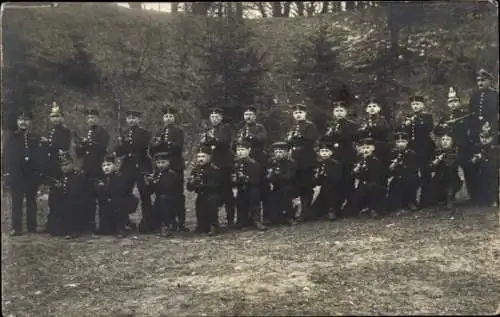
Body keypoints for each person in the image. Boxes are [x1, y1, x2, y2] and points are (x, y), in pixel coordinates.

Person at [4, 109, 44, 236]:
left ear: (30, 122)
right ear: (17, 122)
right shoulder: (11, 138)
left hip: (31, 175)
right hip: (17, 175)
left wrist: (39, 173)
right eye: (21, 120)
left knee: (31, 201)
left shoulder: (35, 138)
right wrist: (8, 173)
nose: (23, 123)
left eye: (26, 120)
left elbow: (39, 157)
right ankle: (17, 228)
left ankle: (32, 227)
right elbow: (7, 158)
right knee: (17, 201)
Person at [114, 109, 154, 233]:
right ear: (126, 120)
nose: (131, 120)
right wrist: (121, 145)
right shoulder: (123, 133)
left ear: (138, 120)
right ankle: (124, 221)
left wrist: (125, 144)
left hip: (142, 166)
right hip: (128, 166)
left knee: (145, 195)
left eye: (134, 118)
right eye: (129, 118)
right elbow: (119, 151)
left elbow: (140, 145)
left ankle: (147, 222)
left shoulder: (144, 132)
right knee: (123, 192)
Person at [150, 106, 187, 232]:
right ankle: (165, 221)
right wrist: (155, 145)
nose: (168, 118)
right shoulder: (158, 131)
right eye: (166, 116)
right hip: (160, 164)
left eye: (171, 116)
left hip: (175, 165)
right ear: (163, 118)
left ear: (174, 118)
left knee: (178, 194)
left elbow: (179, 147)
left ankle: (181, 222)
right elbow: (152, 150)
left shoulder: (178, 131)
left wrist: (165, 144)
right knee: (161, 193)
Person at [434, 87, 474, 203]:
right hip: (450, 150)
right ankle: (449, 196)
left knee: (469, 170)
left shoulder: (466, 115)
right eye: (450, 102)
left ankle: (473, 196)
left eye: (455, 101)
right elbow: (437, 130)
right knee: (450, 172)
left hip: (464, 147)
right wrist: (443, 127)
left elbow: (471, 129)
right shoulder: (446, 117)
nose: (453, 104)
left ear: (460, 102)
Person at [74, 108, 109, 233]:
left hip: (98, 167)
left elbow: (101, 148)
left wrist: (88, 143)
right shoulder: (86, 132)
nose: (90, 120)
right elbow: (80, 154)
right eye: (88, 118)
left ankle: (103, 225)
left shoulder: (102, 132)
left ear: (98, 119)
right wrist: (79, 146)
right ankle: (89, 224)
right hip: (87, 167)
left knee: (101, 197)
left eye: (93, 118)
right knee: (87, 197)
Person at [234, 106, 271, 226]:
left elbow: (262, 139)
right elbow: (236, 142)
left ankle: (264, 217)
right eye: (246, 115)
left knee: (262, 188)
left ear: (255, 116)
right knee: (245, 187)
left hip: (259, 159)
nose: (248, 117)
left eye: (250, 114)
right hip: (244, 160)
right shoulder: (241, 129)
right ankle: (245, 217)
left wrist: (250, 137)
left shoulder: (259, 128)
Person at [199, 107, 234, 228]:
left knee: (227, 192)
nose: (214, 119)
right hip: (212, 164)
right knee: (213, 192)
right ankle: (213, 222)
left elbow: (223, 142)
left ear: (221, 118)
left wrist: (211, 139)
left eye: (216, 117)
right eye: (212, 117)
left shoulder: (226, 128)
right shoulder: (208, 130)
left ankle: (230, 219)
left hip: (224, 164)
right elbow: (203, 144)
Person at [322, 101, 358, 216]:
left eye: (341, 111)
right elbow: (325, 140)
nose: (339, 113)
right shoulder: (331, 126)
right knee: (334, 183)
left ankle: (350, 207)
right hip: (334, 158)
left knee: (348, 181)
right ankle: (333, 208)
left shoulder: (351, 125)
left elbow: (350, 139)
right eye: (336, 111)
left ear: (346, 112)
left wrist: (336, 139)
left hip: (347, 156)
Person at [286, 103, 319, 222]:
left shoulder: (310, 126)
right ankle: (295, 211)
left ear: (305, 114)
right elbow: (288, 142)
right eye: (295, 113)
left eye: (300, 113)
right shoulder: (293, 127)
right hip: (295, 161)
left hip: (307, 159)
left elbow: (309, 140)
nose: (298, 115)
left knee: (306, 186)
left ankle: (305, 212)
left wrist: (295, 139)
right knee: (296, 186)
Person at [401, 95, 435, 208]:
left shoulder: (427, 116)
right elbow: (403, 131)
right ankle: (411, 200)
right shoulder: (408, 116)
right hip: (412, 149)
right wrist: (406, 124)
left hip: (425, 147)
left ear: (423, 105)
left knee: (426, 173)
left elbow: (429, 127)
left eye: (418, 104)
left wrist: (417, 120)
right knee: (412, 174)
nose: (415, 106)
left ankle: (426, 199)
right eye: (413, 104)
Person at [94, 155, 138, 237]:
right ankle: (120, 223)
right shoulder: (102, 178)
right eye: (104, 165)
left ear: (115, 165)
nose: (106, 168)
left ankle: (120, 227)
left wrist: (106, 189)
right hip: (108, 203)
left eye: (109, 165)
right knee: (105, 230)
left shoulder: (120, 177)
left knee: (117, 203)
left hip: (122, 201)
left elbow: (121, 191)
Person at [47, 150, 87, 239]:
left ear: (72, 164)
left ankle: (73, 230)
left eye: (66, 165)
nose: (64, 168)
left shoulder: (78, 176)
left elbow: (76, 192)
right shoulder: (61, 177)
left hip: (75, 204)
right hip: (63, 203)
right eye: (62, 166)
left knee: (70, 207)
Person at [186, 145, 222, 236]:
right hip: (201, 195)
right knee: (200, 208)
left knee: (211, 205)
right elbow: (189, 187)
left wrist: (199, 185)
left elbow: (214, 186)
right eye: (198, 156)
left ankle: (213, 226)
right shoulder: (195, 169)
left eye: (203, 156)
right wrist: (192, 183)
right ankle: (202, 225)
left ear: (209, 157)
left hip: (212, 194)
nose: (200, 159)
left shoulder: (214, 169)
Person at [145, 152, 183, 237]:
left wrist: (154, 182)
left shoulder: (172, 174)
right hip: (159, 200)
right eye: (158, 163)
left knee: (164, 201)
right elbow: (150, 191)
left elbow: (166, 187)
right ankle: (164, 224)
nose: (160, 165)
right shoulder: (157, 174)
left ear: (168, 162)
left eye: (163, 162)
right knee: (146, 227)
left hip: (171, 201)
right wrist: (148, 183)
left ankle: (166, 225)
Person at [346, 137, 385, 218]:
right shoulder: (358, 160)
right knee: (349, 210)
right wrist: (356, 171)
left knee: (372, 188)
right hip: (362, 186)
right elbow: (355, 175)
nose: (365, 150)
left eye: (368, 148)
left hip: (375, 186)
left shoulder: (376, 160)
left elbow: (376, 177)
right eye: (363, 148)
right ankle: (364, 207)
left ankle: (373, 209)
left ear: (373, 148)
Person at [231, 140, 266, 231]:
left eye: (242, 150)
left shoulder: (253, 163)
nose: (240, 152)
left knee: (254, 203)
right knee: (240, 204)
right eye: (238, 150)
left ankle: (256, 220)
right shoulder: (235, 163)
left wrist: (246, 178)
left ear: (248, 150)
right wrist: (234, 181)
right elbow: (232, 177)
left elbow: (256, 180)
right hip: (241, 188)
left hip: (252, 188)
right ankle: (241, 221)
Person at [386, 131, 419, 215]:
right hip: (396, 177)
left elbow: (413, 168)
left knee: (413, 180)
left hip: (408, 176)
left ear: (407, 142)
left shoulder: (411, 153)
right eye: (398, 142)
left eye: (403, 142)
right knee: (396, 185)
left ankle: (410, 201)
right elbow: (388, 169)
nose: (400, 144)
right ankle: (397, 205)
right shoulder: (391, 153)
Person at [266, 141, 297, 226]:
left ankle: (289, 216)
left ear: (286, 152)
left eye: (281, 152)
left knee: (286, 194)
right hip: (276, 186)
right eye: (276, 152)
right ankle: (273, 216)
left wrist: (276, 175)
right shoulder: (271, 161)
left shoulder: (291, 162)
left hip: (289, 186)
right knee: (270, 195)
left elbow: (289, 176)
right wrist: (272, 177)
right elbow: (268, 174)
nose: (278, 154)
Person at [311, 140, 343, 221]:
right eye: (322, 151)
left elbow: (336, 179)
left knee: (329, 189)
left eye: (326, 151)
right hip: (320, 190)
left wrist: (325, 175)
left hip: (333, 189)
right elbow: (315, 179)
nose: (324, 153)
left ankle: (332, 210)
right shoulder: (317, 164)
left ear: (331, 153)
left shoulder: (336, 164)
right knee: (312, 214)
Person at [40, 101, 71, 184]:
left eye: (57, 116)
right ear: (50, 118)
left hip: (59, 162)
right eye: (53, 116)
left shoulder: (65, 131)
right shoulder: (49, 131)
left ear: (62, 117)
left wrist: (48, 142)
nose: (55, 118)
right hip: (49, 162)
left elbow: (63, 146)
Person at [429, 133, 462, 210]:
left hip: (452, 177)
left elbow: (452, 164)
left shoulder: (454, 152)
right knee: (435, 197)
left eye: (447, 139)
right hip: (439, 177)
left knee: (450, 180)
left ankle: (449, 198)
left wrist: (443, 159)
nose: (445, 142)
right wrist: (436, 161)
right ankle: (441, 197)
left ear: (451, 141)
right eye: (443, 139)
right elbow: (430, 167)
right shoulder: (436, 152)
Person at [470, 130, 499, 208]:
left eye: (487, 137)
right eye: (482, 137)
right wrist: (474, 159)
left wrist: (482, 157)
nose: (484, 139)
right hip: (480, 169)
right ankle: (481, 200)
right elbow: (472, 160)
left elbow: (493, 160)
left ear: (491, 138)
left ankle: (493, 200)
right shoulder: (476, 146)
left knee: (492, 183)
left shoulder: (494, 148)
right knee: (478, 181)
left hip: (491, 170)